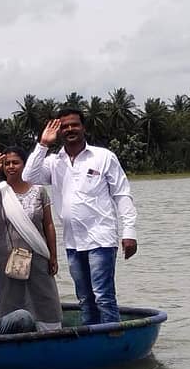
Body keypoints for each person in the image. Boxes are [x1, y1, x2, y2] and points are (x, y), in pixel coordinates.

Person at [22, 108, 138, 325]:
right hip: (73, 241)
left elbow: (122, 194)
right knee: (84, 298)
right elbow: (28, 176)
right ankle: (91, 341)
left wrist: (129, 232)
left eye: (74, 124)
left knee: (103, 296)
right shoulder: (54, 162)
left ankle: (113, 337)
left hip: (101, 238)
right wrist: (43, 144)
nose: (69, 129)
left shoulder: (103, 157)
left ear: (83, 127)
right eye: (64, 126)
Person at [0, 146, 62, 331]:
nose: (11, 166)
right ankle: (13, 330)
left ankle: (50, 330)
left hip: (37, 251)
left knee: (45, 292)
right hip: (7, 253)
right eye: (7, 163)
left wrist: (53, 255)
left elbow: (49, 225)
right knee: (11, 294)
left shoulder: (39, 191)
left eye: (15, 162)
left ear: (24, 164)